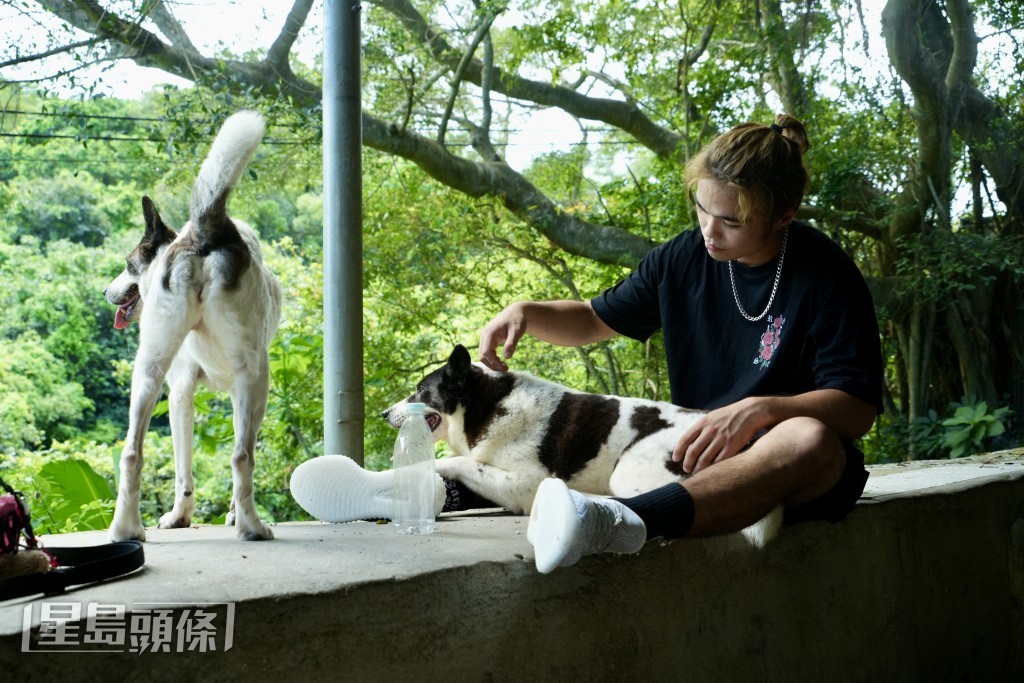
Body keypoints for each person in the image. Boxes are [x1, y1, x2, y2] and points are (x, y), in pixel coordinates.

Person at [479, 115, 883, 573]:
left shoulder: (827, 275)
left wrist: (760, 409)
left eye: (730, 221)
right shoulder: (680, 258)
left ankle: (617, 521)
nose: (709, 230)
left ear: (782, 218)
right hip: (697, 456)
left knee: (808, 437)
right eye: (702, 208)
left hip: (790, 466)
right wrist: (527, 313)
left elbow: (857, 408)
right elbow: (594, 319)